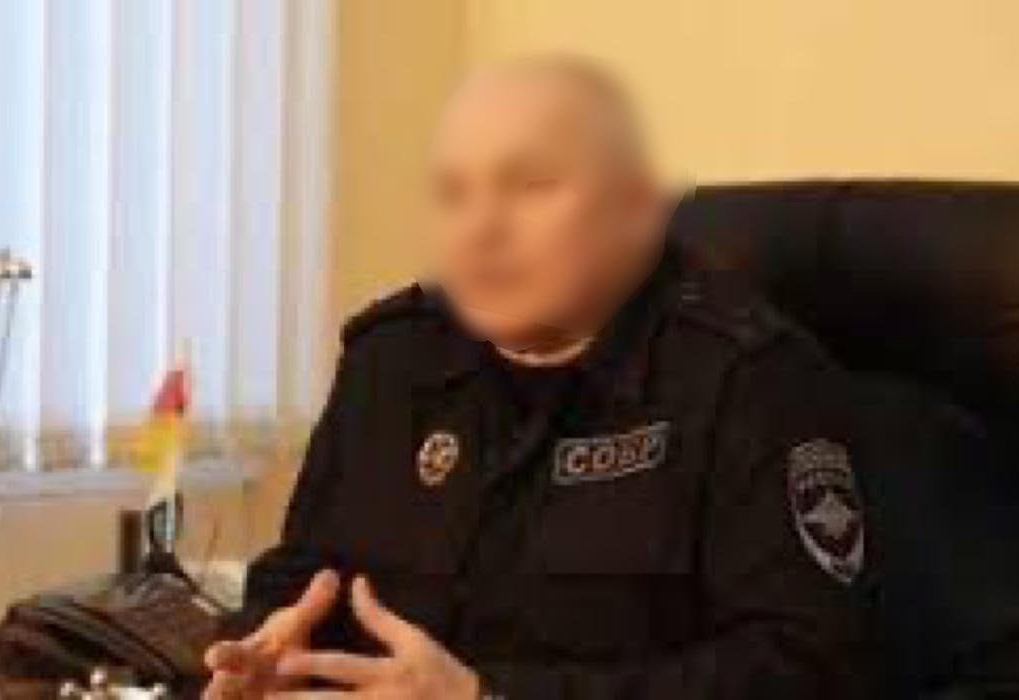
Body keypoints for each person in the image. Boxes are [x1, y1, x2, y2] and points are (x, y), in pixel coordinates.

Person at [204, 56, 870, 699]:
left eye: (530, 186)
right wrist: (264, 649)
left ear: (636, 209)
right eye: (454, 193)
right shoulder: (392, 360)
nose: (482, 227)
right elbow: (305, 574)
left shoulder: (747, 378)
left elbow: (805, 671)